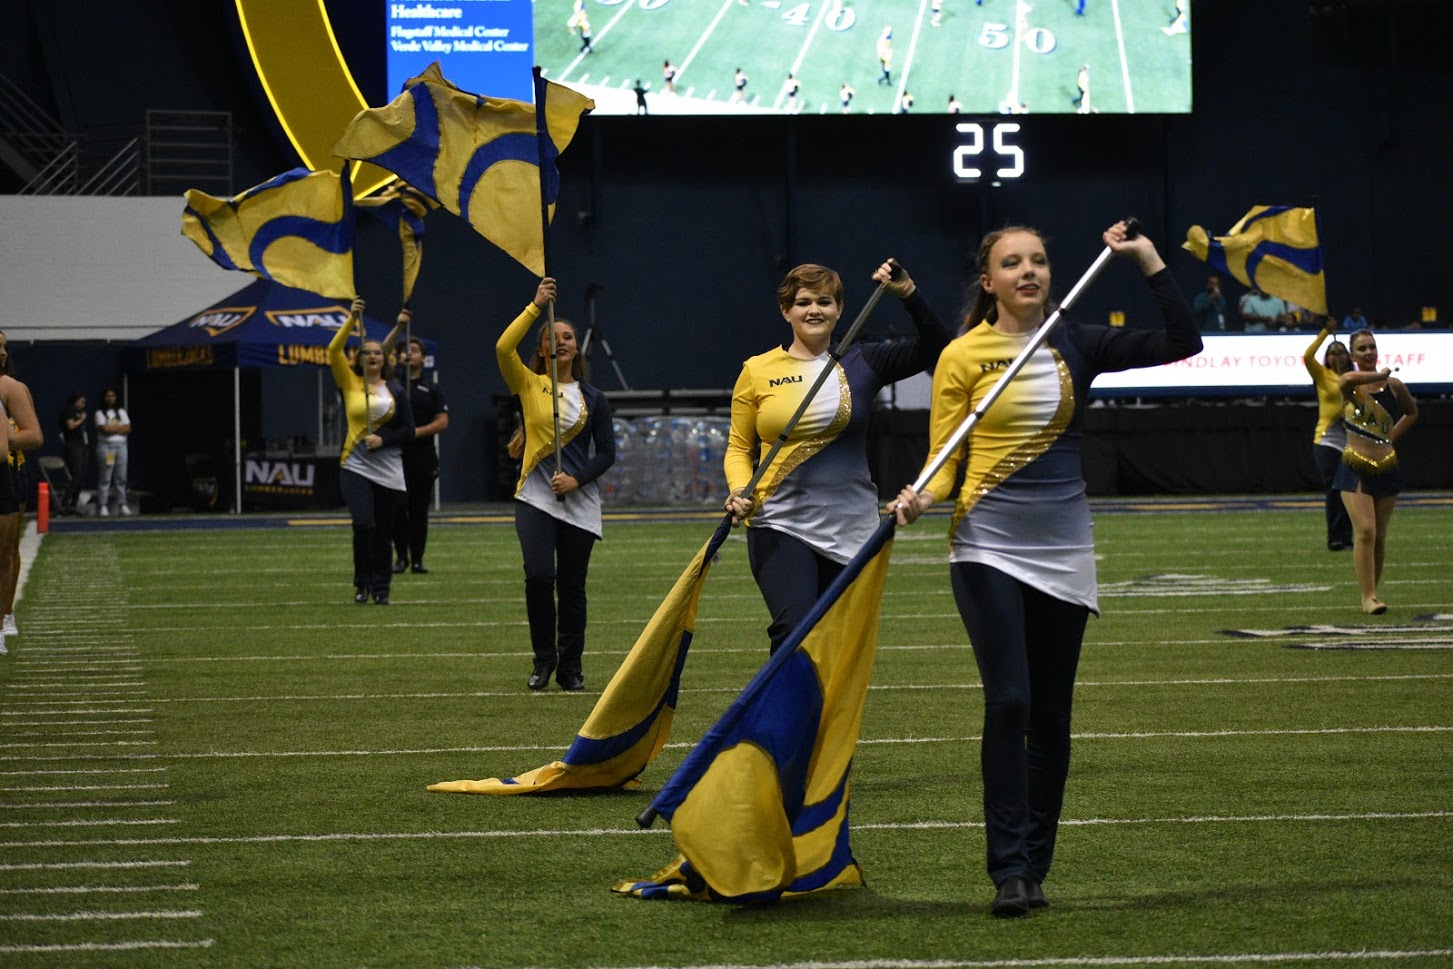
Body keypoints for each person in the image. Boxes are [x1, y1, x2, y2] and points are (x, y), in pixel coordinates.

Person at [888, 221, 1201, 918]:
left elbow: (1185, 342)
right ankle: (1005, 868)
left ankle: (1033, 866)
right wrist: (918, 499)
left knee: (1051, 713)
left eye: (1036, 260)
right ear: (988, 279)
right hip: (986, 547)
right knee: (1009, 701)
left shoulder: (1079, 341)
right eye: (1011, 263)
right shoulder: (962, 355)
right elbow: (943, 461)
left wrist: (1145, 259)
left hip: (1063, 550)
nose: (1027, 271)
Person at [724, 259, 950, 654]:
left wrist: (908, 292)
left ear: (840, 310)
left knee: (837, 644)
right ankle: (785, 716)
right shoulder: (757, 370)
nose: (814, 310)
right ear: (786, 310)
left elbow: (935, 347)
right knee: (793, 631)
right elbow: (739, 447)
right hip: (779, 523)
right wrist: (739, 488)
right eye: (803, 302)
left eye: (825, 301)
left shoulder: (865, 362)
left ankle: (824, 718)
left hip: (852, 526)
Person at [498, 278, 616, 692]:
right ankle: (543, 662)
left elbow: (607, 453)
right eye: (553, 337)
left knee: (572, 587)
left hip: (579, 500)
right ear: (543, 347)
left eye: (568, 336)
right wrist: (535, 306)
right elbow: (502, 349)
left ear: (576, 347)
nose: (562, 341)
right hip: (535, 495)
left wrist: (577, 478)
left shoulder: (594, 398)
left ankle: (571, 668)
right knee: (538, 577)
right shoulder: (530, 385)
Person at [329, 298, 414, 605]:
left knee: (382, 533)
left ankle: (382, 589)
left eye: (378, 353)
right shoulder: (350, 382)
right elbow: (333, 351)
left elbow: (409, 429)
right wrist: (352, 320)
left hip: (388, 470)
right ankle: (361, 584)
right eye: (367, 352)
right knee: (363, 525)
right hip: (354, 465)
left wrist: (384, 440)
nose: (373, 356)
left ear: (385, 358)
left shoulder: (396, 390)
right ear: (360, 358)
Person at [1334, 328, 1418, 615]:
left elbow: (1412, 413)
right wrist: (1377, 375)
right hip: (1354, 465)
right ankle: (1367, 596)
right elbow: (1345, 378)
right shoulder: (1351, 386)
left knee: (1380, 536)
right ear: (1353, 355)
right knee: (1366, 531)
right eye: (1362, 349)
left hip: (1386, 466)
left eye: (1372, 347)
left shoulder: (1394, 386)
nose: (1368, 352)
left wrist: (1391, 437)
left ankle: (1373, 592)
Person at [383, 313, 449, 575]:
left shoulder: (432, 389)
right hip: (395, 457)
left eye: (414, 350)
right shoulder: (391, 384)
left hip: (422, 457)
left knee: (419, 511)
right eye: (405, 350)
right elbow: (380, 352)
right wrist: (399, 325)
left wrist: (415, 432)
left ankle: (418, 559)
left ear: (423, 357)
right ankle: (401, 558)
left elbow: (443, 421)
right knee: (398, 510)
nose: (409, 354)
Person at [0, 332, 40, 651]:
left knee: (7, 549)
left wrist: (3, 438)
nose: (1, 352)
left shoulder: (11, 388)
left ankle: (6, 613)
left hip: (9, 470)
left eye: (3, 347)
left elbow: (34, 436)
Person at [1304, 324, 1353, 551]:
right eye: (1333, 352)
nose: (1337, 356)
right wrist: (1325, 331)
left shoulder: (1353, 377)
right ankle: (1335, 536)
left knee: (1350, 490)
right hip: (1327, 440)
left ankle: (1348, 536)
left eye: (1341, 352)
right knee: (1334, 488)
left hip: (1351, 440)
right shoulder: (1323, 375)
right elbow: (1307, 356)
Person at [93, 388, 131, 516]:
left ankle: (122, 504)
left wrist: (113, 428)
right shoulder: (100, 413)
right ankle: (103, 505)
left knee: (121, 476)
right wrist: (119, 428)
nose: (110, 398)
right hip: (107, 447)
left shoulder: (121, 412)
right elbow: (104, 429)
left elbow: (128, 428)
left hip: (121, 446)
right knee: (106, 476)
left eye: (113, 396)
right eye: (108, 396)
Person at [58, 392, 88, 514]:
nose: (83, 405)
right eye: (81, 402)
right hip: (73, 445)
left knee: (81, 476)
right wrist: (81, 419)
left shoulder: (78, 412)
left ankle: (73, 504)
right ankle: (64, 504)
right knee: (76, 474)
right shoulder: (69, 410)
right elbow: (70, 425)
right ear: (75, 401)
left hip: (82, 445)